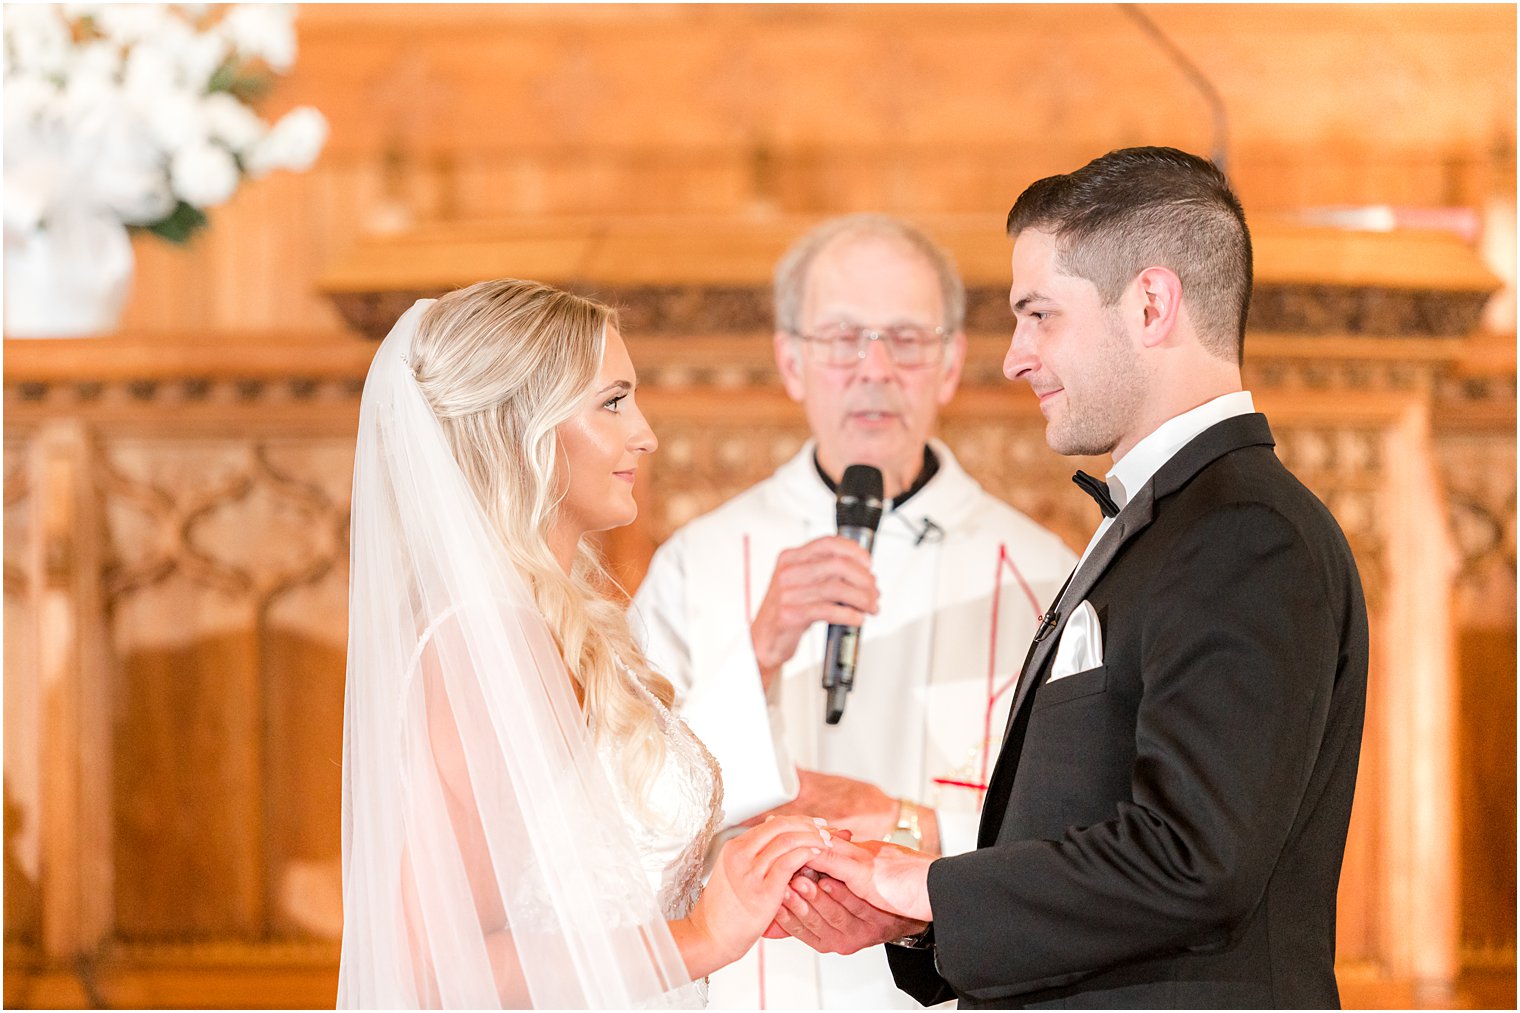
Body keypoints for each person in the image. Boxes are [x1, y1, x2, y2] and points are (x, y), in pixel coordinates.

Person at [781, 147, 1370, 1009]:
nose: (1016, 357)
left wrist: (935, 889)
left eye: (1040, 314)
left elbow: (1193, 857)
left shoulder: (1246, 532)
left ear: (1150, 304)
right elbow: (1092, 834)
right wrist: (923, 917)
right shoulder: (1169, 520)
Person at [337, 280, 841, 1009]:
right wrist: (702, 936)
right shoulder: (485, 640)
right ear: (522, 428)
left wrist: (746, 874)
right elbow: (439, 965)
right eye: (612, 402)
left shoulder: (551, 618)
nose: (646, 433)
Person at [631, 215, 1076, 1007]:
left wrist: (911, 823)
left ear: (948, 364)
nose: (874, 368)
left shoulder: (1043, 576)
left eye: (905, 339)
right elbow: (623, 820)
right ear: (791, 360)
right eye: (842, 338)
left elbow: (1080, 838)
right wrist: (758, 651)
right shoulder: (697, 564)